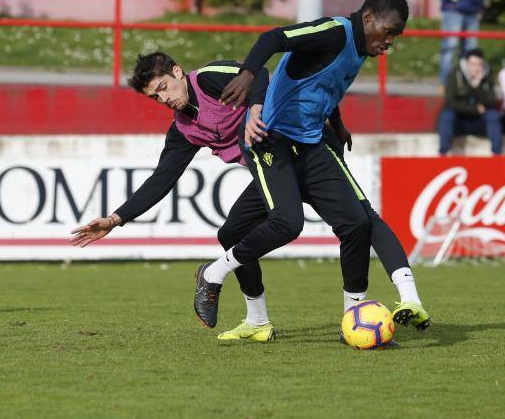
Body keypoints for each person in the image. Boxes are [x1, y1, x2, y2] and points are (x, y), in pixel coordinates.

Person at [69, 51, 428, 342]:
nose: (165, 99)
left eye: (164, 87)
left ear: (179, 72)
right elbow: (161, 180)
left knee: (357, 223)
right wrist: (115, 219)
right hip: (271, 169)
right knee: (232, 233)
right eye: (156, 97)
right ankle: (258, 322)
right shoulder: (184, 129)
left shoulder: (210, 79)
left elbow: (260, 75)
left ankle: (355, 314)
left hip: (302, 152)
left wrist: (265, 111)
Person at [195, 0, 431, 334]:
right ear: (368, 19)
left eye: (395, 36)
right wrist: (247, 75)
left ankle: (349, 320)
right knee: (288, 223)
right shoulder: (334, 32)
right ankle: (213, 274)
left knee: (355, 224)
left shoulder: (360, 49)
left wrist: (337, 123)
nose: (390, 42)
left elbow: (320, 83)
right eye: (388, 31)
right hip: (269, 140)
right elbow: (274, 37)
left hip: (310, 144)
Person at [438, 48, 502, 156]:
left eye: (479, 64)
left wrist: (477, 86)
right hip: (459, 121)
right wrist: (474, 109)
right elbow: (450, 102)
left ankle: (496, 155)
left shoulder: (487, 75)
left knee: (492, 115)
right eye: (472, 64)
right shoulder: (454, 74)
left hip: (479, 122)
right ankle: (442, 153)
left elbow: (492, 101)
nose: (476, 68)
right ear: (466, 64)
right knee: (447, 114)